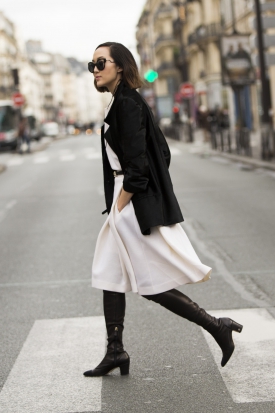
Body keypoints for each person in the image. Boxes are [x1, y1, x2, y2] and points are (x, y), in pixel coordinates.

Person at [84, 42, 242, 378]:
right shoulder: (121, 101)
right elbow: (161, 154)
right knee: (109, 273)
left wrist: (120, 205)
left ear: (120, 66)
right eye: (92, 64)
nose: (95, 69)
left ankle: (217, 326)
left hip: (129, 203)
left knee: (152, 284)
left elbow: (139, 168)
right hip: (125, 198)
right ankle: (115, 350)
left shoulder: (128, 104)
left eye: (101, 62)